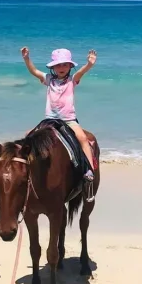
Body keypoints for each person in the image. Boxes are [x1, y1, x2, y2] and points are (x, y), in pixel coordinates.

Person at [20, 46, 98, 201]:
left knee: (82, 139)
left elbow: (82, 72)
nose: (61, 68)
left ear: (70, 66)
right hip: (49, 119)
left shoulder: (72, 80)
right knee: (28, 135)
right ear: (53, 67)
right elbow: (34, 71)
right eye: (58, 65)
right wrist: (27, 59)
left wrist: (89, 64)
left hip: (68, 120)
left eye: (64, 65)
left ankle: (89, 172)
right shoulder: (49, 79)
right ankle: (24, 169)